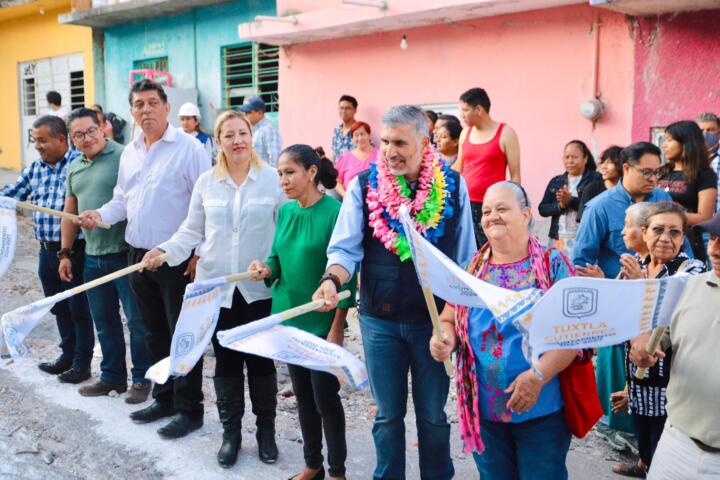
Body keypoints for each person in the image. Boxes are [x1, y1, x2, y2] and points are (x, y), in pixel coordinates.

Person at [313, 105, 476, 480]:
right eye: (384, 141)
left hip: (434, 325)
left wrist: (453, 321)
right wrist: (331, 281)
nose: (389, 151)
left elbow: (465, 258)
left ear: (424, 142)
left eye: (400, 142)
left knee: (434, 416)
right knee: (387, 416)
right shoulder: (363, 185)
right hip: (379, 322)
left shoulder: (453, 186)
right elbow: (344, 250)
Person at [141, 110, 284, 466]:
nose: (238, 141)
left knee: (262, 362)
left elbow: (284, 233)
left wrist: (274, 267)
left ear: (252, 137)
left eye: (243, 133)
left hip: (258, 288)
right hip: (216, 289)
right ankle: (230, 434)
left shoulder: (273, 181)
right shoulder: (207, 182)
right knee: (227, 363)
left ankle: (266, 431)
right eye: (229, 135)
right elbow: (192, 231)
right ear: (217, 141)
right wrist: (165, 251)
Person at [78, 79, 211, 439]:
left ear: (167, 107)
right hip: (137, 256)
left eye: (153, 103)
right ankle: (164, 397)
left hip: (177, 259)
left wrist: (198, 252)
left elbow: (205, 206)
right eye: (139, 104)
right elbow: (123, 199)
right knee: (153, 333)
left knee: (181, 336)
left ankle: (189, 410)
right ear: (132, 111)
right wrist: (100, 215)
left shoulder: (189, 149)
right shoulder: (132, 151)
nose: (146, 110)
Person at [429, 181, 578, 479]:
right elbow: (448, 319)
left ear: (525, 215)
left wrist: (538, 376)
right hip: (484, 410)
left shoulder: (553, 264)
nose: (492, 216)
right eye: (486, 211)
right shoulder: (472, 269)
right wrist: (444, 338)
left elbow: (574, 335)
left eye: (502, 209)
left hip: (541, 409)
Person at [250, 144, 355, 480]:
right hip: (288, 318)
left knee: (326, 399)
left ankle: (337, 472)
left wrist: (338, 325)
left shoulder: (335, 212)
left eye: (290, 172)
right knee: (303, 399)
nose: (283, 180)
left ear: (311, 173)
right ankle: (313, 465)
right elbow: (276, 258)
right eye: (280, 173)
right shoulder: (285, 212)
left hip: (321, 321)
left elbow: (348, 270)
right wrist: (264, 269)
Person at [573, 142, 674, 447]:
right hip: (615, 309)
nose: (654, 178)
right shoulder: (601, 208)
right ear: (626, 168)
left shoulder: (664, 201)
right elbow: (581, 262)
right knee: (619, 367)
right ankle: (620, 428)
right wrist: (608, 286)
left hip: (660, 301)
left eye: (658, 172)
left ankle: (649, 435)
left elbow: (682, 251)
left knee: (656, 368)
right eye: (647, 171)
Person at [60, 108, 152, 403]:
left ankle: (141, 379)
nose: (86, 138)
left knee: (137, 322)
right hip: (92, 256)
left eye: (90, 131)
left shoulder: (126, 156)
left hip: (125, 254)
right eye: (78, 135)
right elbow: (69, 212)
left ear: (103, 128)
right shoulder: (74, 167)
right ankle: (112, 376)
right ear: (71, 139)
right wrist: (64, 252)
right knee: (104, 320)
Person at [1, 115, 93, 383]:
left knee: (78, 306)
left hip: (75, 250)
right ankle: (67, 354)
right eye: (35, 140)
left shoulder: (79, 164)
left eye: (42, 140)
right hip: (46, 251)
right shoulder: (34, 170)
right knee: (56, 305)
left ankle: (81, 362)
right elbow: (11, 195)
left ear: (61, 139)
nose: (37, 145)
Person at [622, 202, 705, 475]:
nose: (666, 239)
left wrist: (637, 287)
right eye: (658, 230)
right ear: (644, 232)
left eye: (675, 232)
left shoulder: (691, 270)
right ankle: (644, 464)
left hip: (670, 382)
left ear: (683, 238)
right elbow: (621, 319)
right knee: (643, 439)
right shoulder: (637, 265)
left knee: (666, 450)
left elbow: (670, 314)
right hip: (637, 377)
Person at [641, 213, 720, 479]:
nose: (715, 249)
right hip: (677, 443)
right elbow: (665, 335)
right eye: (714, 238)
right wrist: (646, 351)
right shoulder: (689, 286)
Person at [453, 87, 521, 248]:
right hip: (466, 202)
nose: (461, 115)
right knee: (467, 249)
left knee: (491, 249)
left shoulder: (506, 133)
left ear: (478, 109)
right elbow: (459, 167)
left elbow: (515, 176)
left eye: (465, 110)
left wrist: (513, 205)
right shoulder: (465, 133)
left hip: (491, 206)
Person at [658, 120, 717, 261]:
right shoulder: (663, 172)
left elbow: (705, 217)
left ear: (686, 143)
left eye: (669, 140)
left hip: (687, 242)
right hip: (658, 241)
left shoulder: (704, 174)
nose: (664, 145)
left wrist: (667, 215)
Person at [538, 140, 601, 258]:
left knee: (581, 272)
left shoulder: (596, 180)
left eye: (575, 157)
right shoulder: (556, 181)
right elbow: (542, 209)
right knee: (558, 272)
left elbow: (596, 208)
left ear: (585, 158)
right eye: (566, 157)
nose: (570, 161)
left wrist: (571, 200)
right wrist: (560, 206)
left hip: (583, 239)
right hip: (558, 239)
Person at [577, 146, 623, 221]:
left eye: (609, 162)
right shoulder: (591, 189)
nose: (603, 166)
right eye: (603, 162)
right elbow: (584, 220)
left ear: (621, 165)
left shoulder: (627, 190)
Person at [334, 121, 379, 197]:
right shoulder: (344, 158)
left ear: (369, 135)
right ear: (352, 138)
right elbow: (337, 182)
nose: (360, 138)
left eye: (362, 134)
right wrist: (345, 195)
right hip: (351, 203)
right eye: (356, 135)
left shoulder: (380, 155)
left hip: (376, 204)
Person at [239, 96, 282, 167]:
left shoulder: (268, 130)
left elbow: (275, 158)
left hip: (265, 176)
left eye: (248, 112)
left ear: (259, 113)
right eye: (245, 113)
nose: (245, 115)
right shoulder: (253, 130)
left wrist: (272, 177)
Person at [331, 95, 358, 160]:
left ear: (355, 111)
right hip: (337, 169)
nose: (344, 111)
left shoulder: (360, 130)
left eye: (348, 108)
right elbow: (334, 154)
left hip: (355, 169)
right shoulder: (336, 130)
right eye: (341, 108)